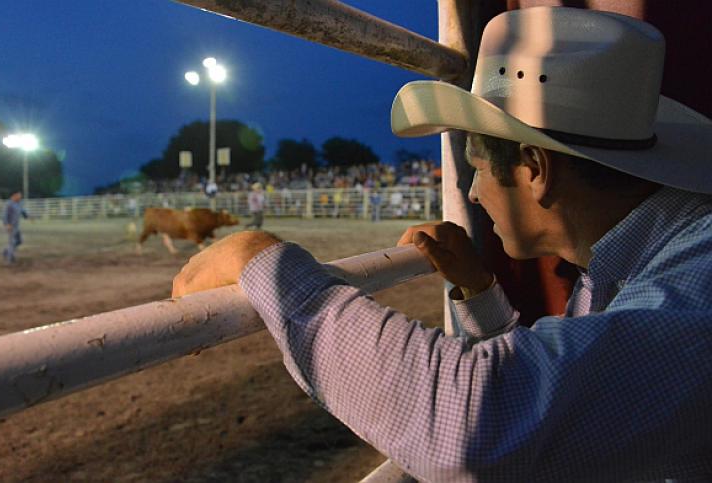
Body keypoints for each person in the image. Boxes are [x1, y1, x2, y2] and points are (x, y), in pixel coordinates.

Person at [172, 7, 712, 481]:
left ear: (534, 168)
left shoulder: (698, 284)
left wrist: (263, 262)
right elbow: (582, 399)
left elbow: (483, 427)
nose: (473, 195)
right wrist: (480, 292)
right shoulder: (643, 263)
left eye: (477, 168)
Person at [1, 190, 28, 263]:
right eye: (19, 195)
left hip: (17, 226)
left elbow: (23, 211)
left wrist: (27, 216)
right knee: (12, 243)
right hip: (11, 226)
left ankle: (5, 251)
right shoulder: (9, 204)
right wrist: (7, 224)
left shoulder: (19, 203)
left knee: (19, 241)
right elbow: (4, 216)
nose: (20, 196)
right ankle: (10, 260)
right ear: (14, 195)